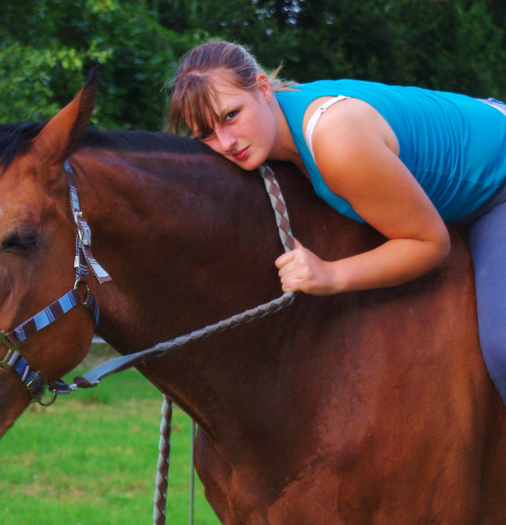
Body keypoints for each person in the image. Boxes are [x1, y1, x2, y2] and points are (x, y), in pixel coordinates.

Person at [164, 39, 506, 404]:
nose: (227, 142)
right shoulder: (275, 130)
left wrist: (331, 275)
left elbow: (430, 244)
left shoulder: (334, 140)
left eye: (231, 115)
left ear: (263, 88)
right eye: (207, 135)